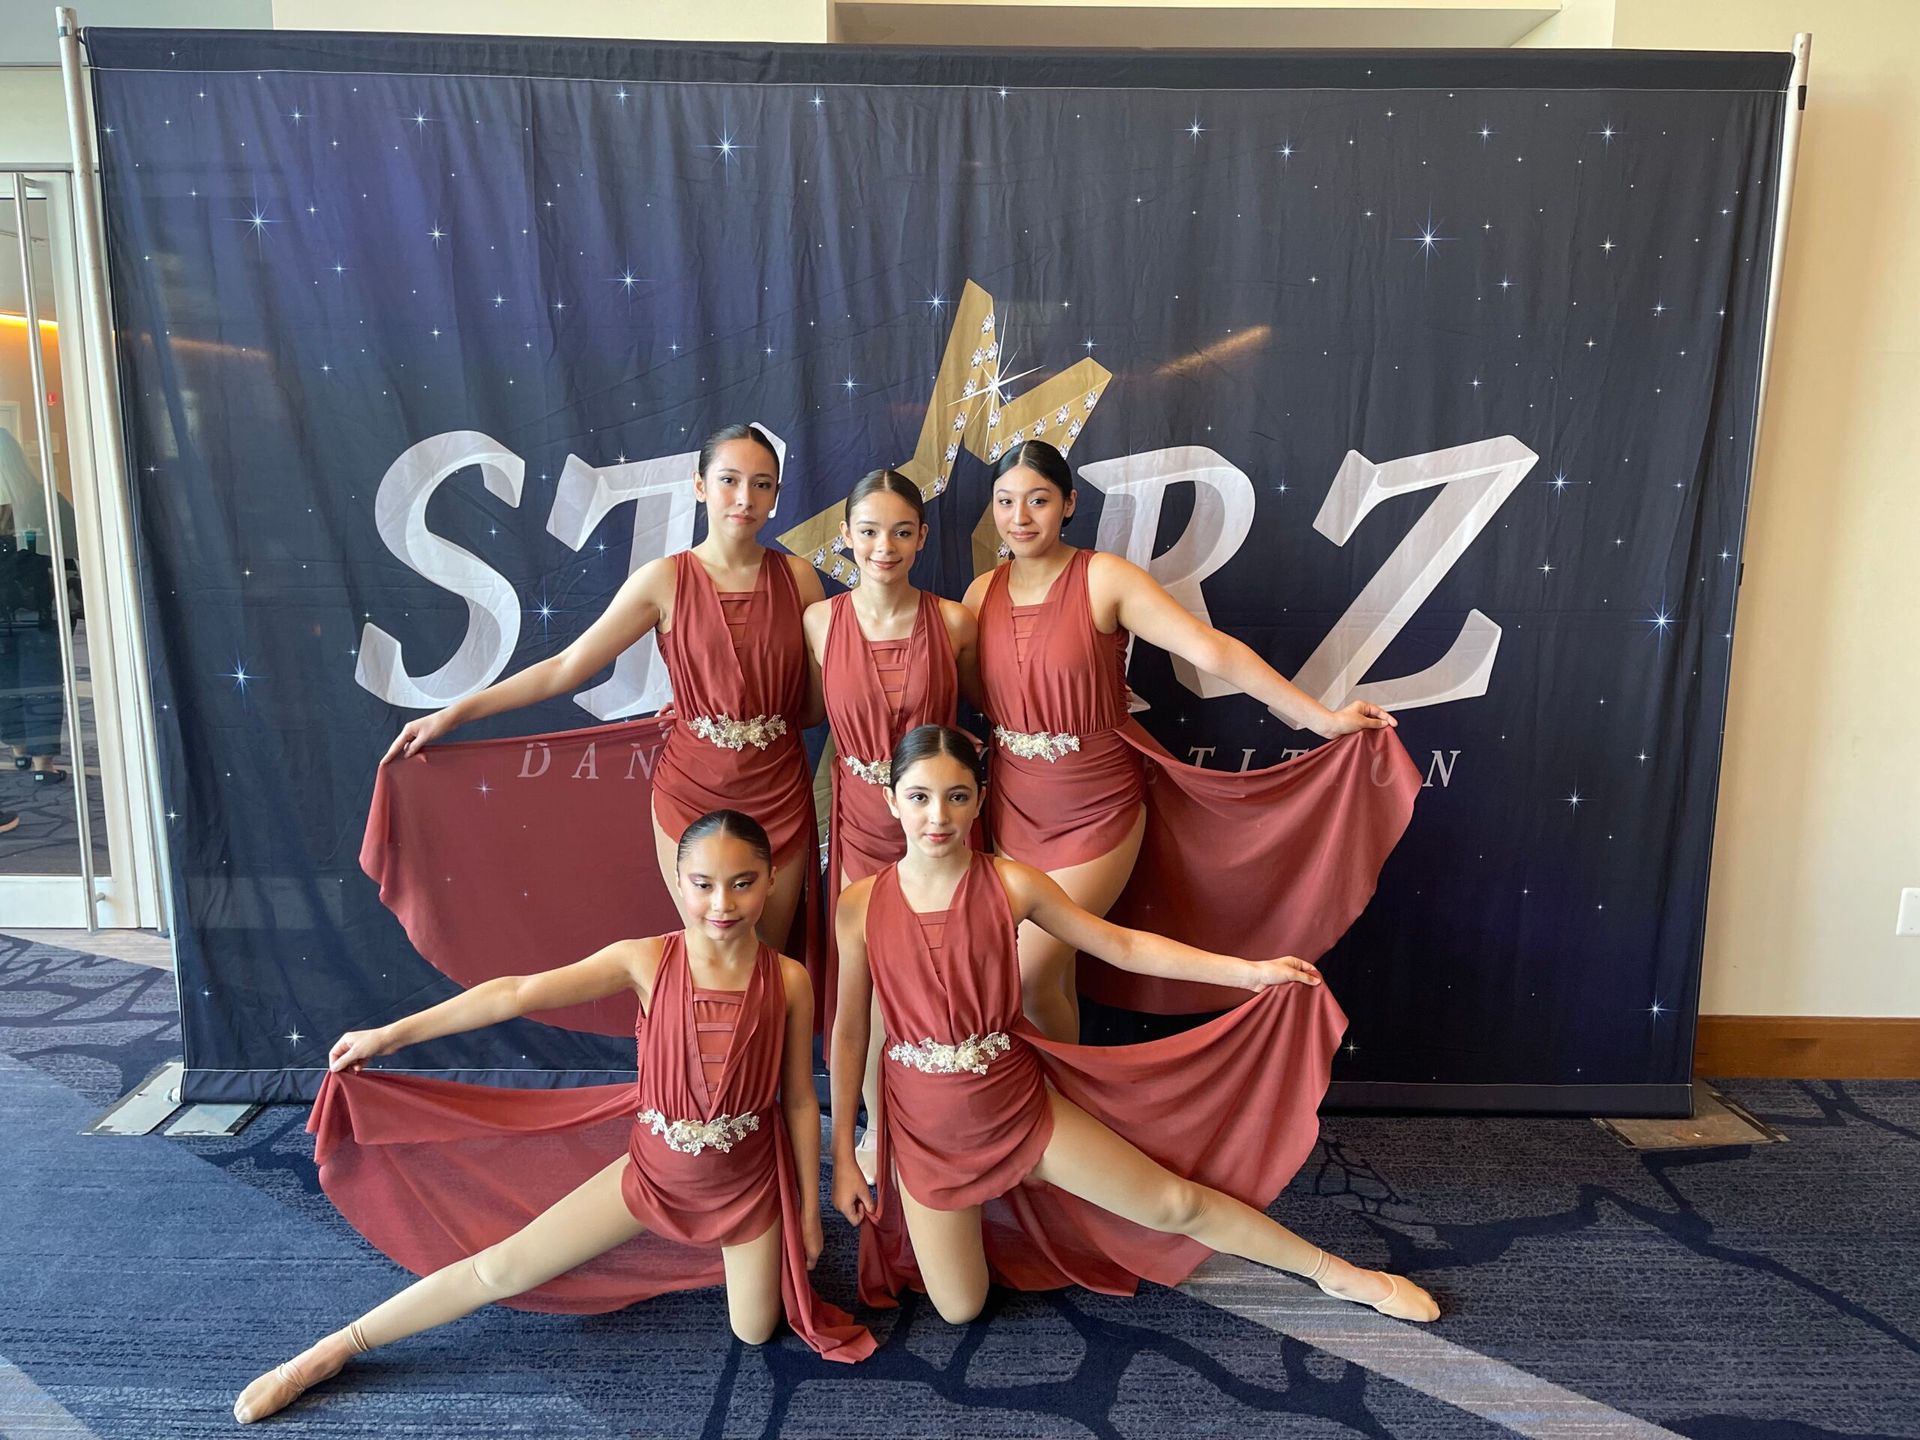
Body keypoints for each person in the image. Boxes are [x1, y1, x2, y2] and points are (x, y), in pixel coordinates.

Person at [233, 810, 872, 1424]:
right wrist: (389, 1035)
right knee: (503, 1267)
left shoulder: (788, 979)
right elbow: (515, 992)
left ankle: (717, 1249)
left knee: (755, 1330)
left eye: (743, 883)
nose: (722, 904)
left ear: (771, 879)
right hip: (650, 1176)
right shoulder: (645, 960)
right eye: (703, 885)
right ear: (678, 882)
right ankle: (337, 1346)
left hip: (746, 1188)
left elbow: (795, 1099)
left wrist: (805, 1216)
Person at [829, 725, 1438, 1328]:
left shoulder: (1013, 884)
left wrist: (1247, 973)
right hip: (927, 1127)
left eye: (957, 795)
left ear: (980, 799)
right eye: (919, 796)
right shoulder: (859, 904)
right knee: (960, 1309)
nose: (938, 815)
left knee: (1176, 1202)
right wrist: (848, 1154)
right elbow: (851, 1032)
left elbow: (1123, 946)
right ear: (890, 798)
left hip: (1014, 1107)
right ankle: (1001, 1219)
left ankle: (1340, 1275)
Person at [961, 439, 1419, 1040]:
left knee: (1029, 968)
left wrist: (1322, 719)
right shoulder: (978, 595)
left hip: (1095, 806)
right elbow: (980, 694)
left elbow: (1211, 649)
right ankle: (1055, 1100)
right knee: (1041, 978)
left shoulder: (1104, 577)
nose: (1020, 518)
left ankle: (1056, 1105)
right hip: (1015, 807)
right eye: (1006, 501)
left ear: (1069, 504)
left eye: (1038, 500)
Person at [383, 424, 825, 954]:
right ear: (699, 485)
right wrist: (452, 715)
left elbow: (816, 705)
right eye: (729, 479)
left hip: (780, 791)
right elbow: (566, 666)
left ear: (776, 495)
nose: (744, 498)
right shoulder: (663, 580)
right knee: (710, 959)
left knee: (768, 966)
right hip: (692, 790)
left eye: (761, 484)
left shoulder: (799, 579)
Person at [802, 469, 978, 1171]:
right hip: (861, 831)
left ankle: (949, 1119)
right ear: (845, 536)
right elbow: (811, 712)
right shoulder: (820, 621)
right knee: (864, 989)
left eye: (901, 532)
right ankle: (876, 1126)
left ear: (921, 538)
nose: (884, 546)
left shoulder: (956, 621)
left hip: (939, 829)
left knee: (944, 977)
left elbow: (994, 708)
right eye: (869, 531)